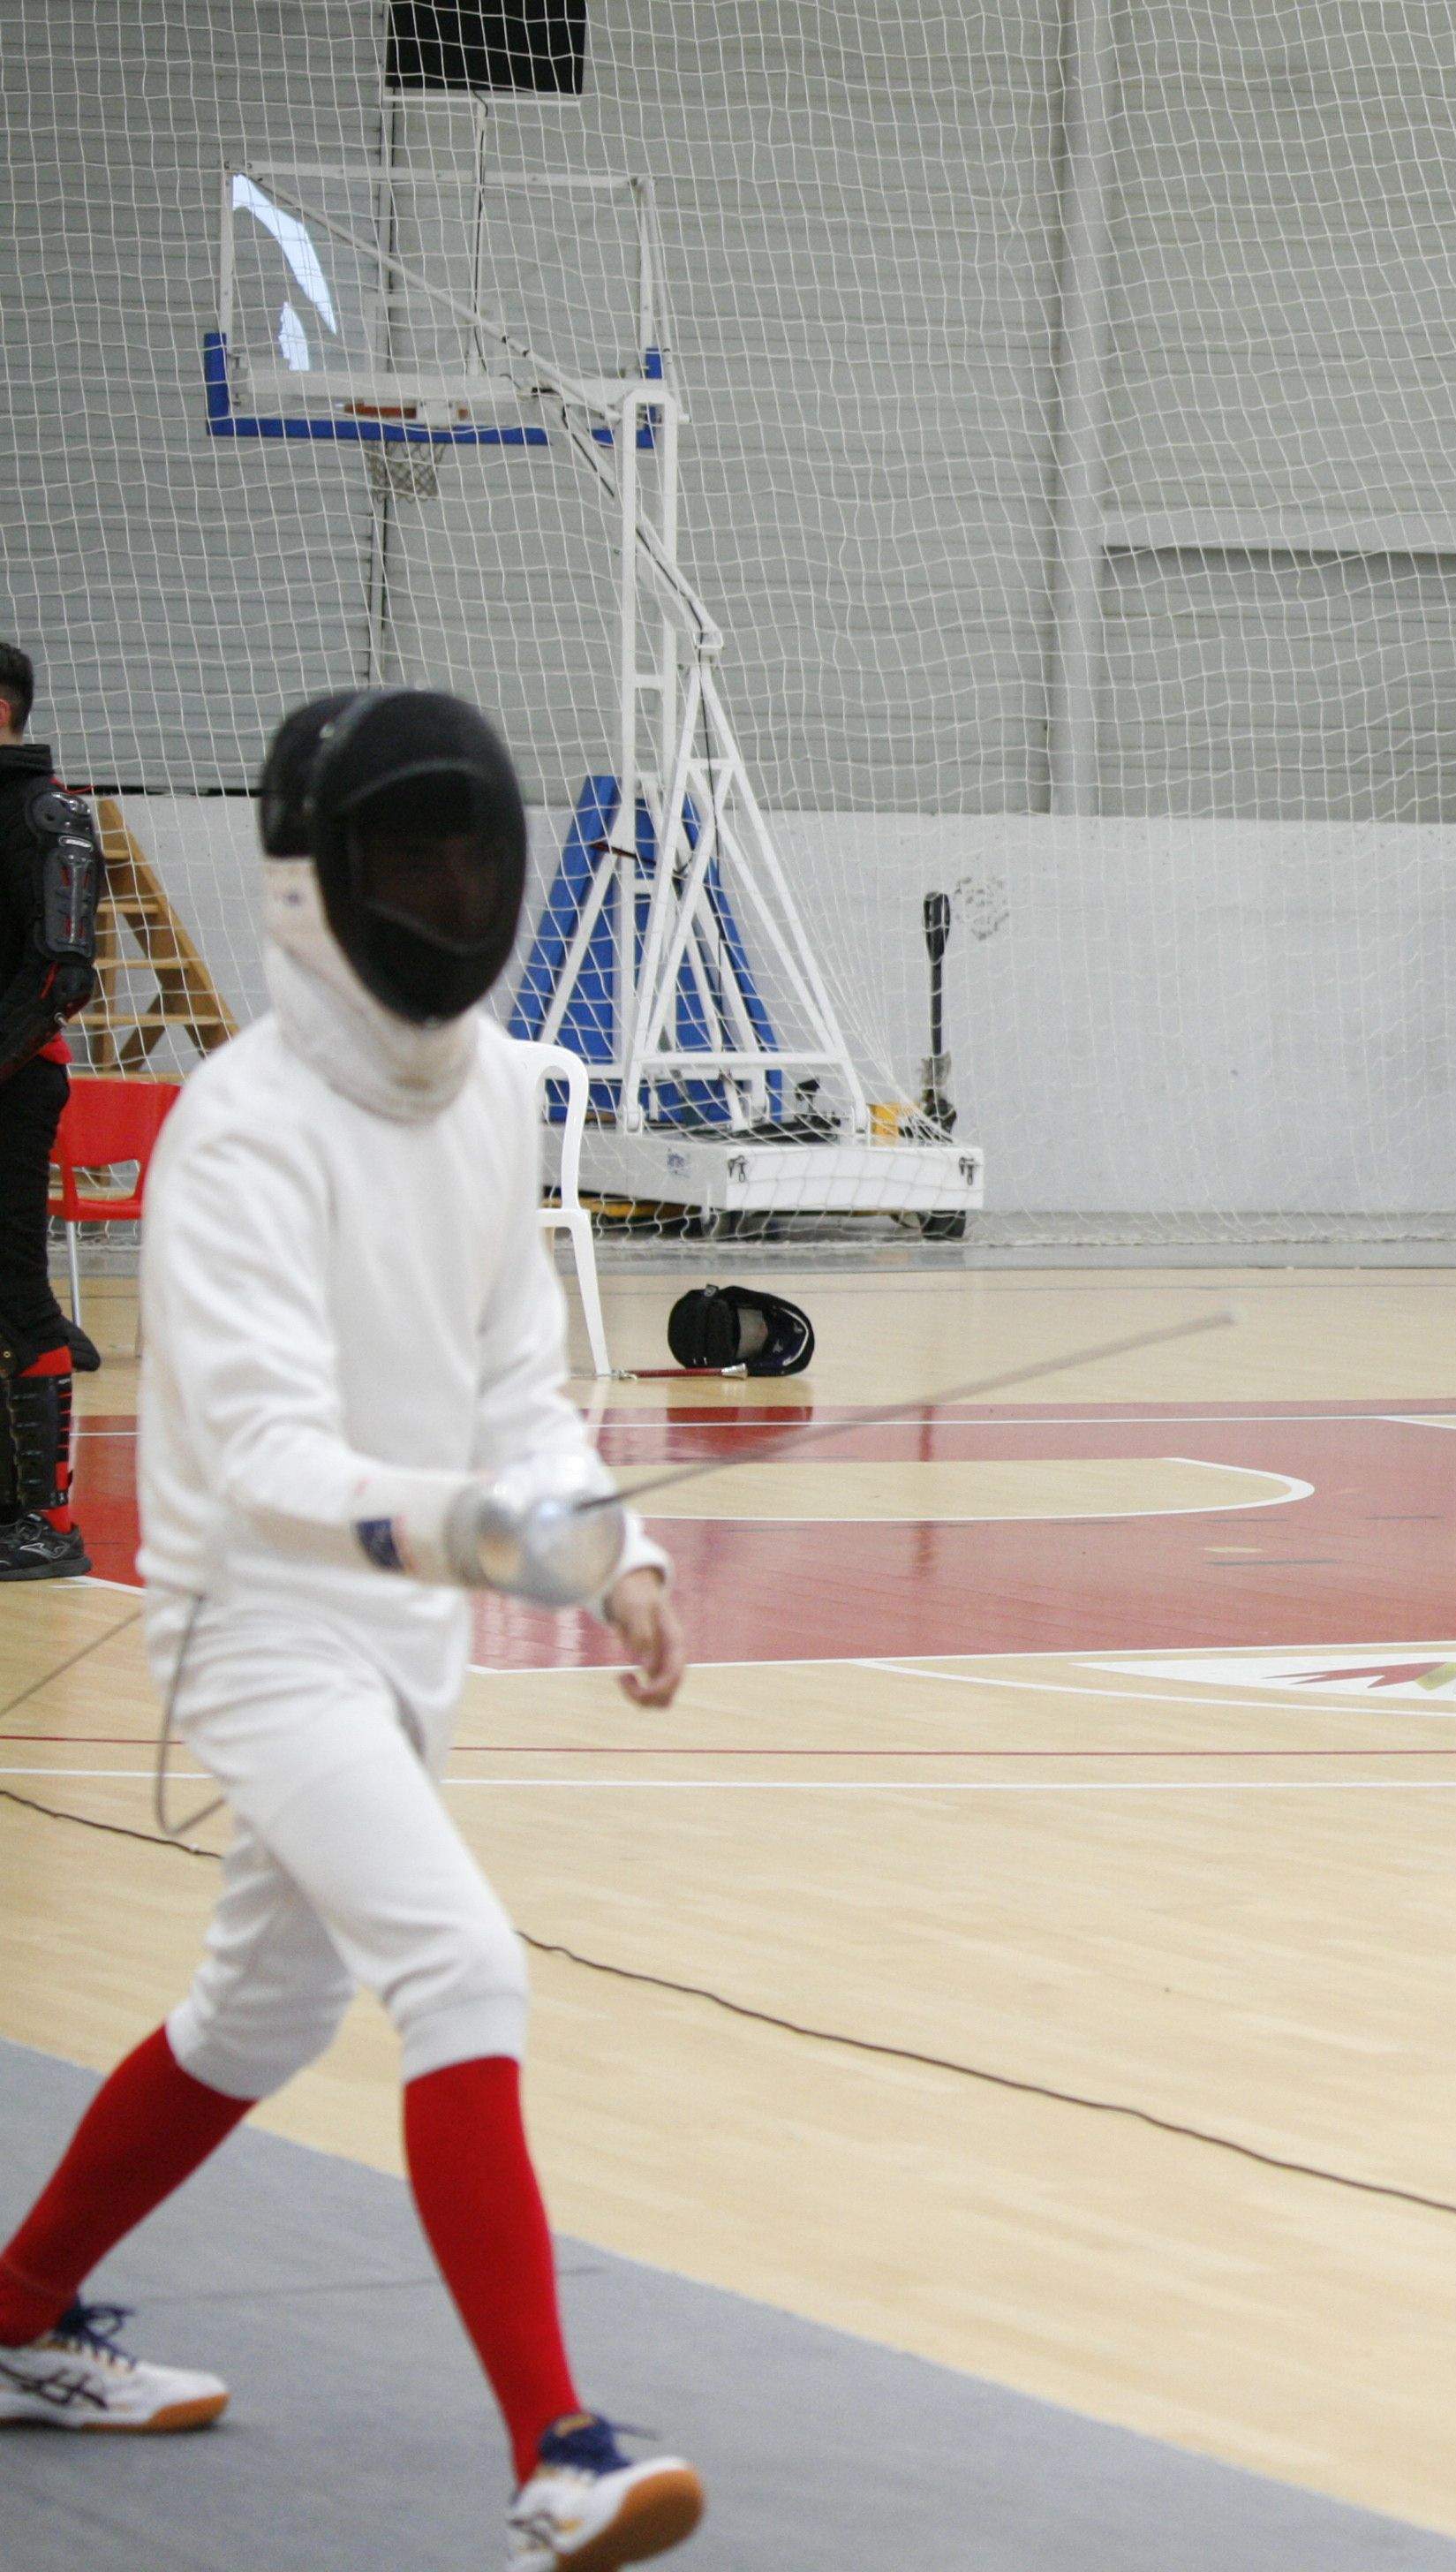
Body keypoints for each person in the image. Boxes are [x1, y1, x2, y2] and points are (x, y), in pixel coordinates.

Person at [0, 689, 710, 2572]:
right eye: (412, 857)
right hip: (262, 1631)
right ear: (319, 885)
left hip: (406, 1631)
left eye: (471, 853)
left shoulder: (482, 1092)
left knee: (264, 2005)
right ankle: (557, 2454)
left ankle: (15, 2314)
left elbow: (512, 1391)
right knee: (463, 1968)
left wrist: (609, 1544)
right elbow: (266, 1458)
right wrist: (495, 1535)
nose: (448, 888)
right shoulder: (242, 1130)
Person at [0, 639, 106, 1579]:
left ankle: (50, 1522)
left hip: (16, 1083)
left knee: (19, 1296)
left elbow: (63, 972)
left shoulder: (50, 816)